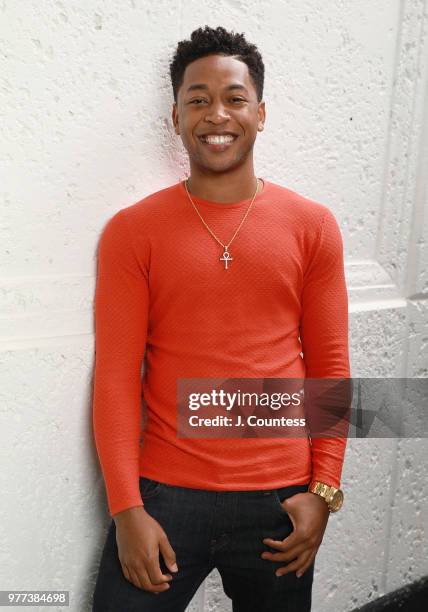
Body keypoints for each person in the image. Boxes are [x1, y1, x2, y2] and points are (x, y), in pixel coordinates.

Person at [91, 25, 350, 612]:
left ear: (260, 113)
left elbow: (330, 365)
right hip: (164, 497)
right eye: (197, 98)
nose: (217, 114)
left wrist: (323, 492)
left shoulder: (312, 226)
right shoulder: (133, 231)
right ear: (175, 116)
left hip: (280, 501)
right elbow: (114, 376)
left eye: (234, 98)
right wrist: (126, 508)